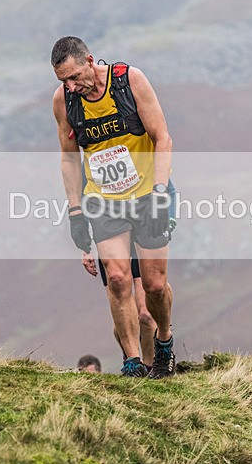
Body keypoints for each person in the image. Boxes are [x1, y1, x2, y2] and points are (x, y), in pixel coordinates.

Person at [51, 36, 176, 378]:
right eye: (64, 81)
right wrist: (75, 211)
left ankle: (164, 341)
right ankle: (133, 362)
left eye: (75, 77)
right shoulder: (64, 102)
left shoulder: (129, 80)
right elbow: (69, 157)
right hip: (105, 201)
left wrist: (160, 193)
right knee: (118, 279)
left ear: (90, 60)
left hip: (149, 193)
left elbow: (162, 137)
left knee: (153, 286)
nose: (71, 86)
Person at [81, 181, 177, 370]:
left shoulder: (139, 153)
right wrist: (85, 248)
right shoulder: (95, 156)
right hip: (111, 235)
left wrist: (169, 219)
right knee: (121, 304)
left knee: (145, 314)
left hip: (140, 232)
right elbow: (83, 197)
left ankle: (151, 366)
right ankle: (132, 359)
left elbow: (169, 188)